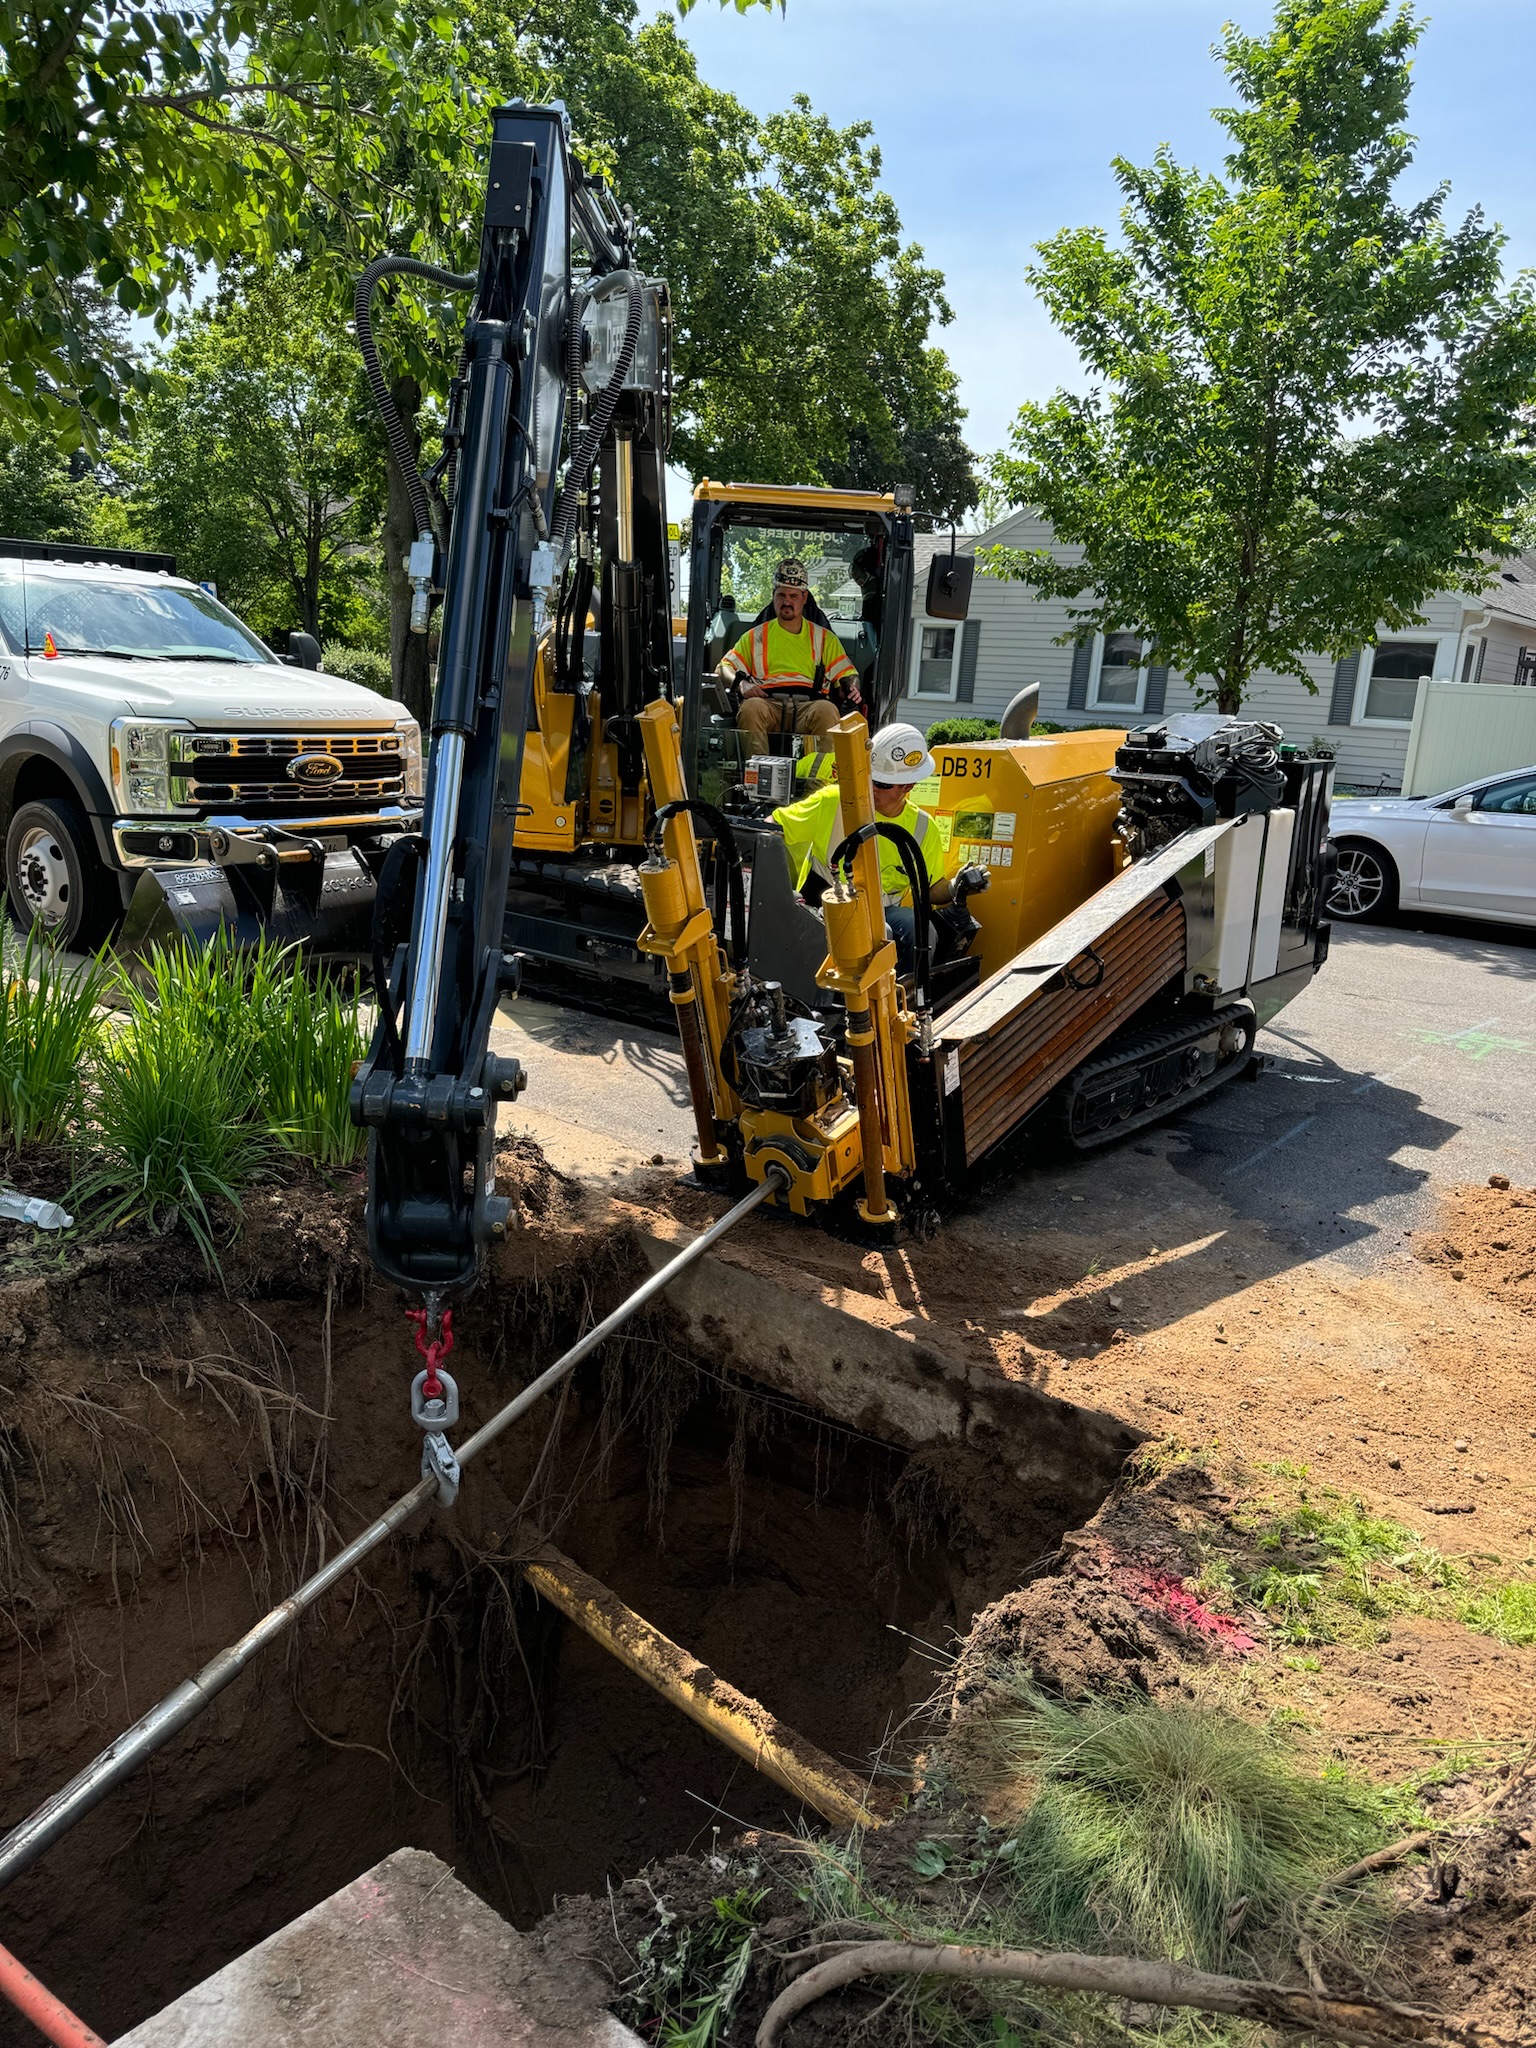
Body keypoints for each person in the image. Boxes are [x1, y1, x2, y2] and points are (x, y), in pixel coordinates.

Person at [772, 721, 953, 966]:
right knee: (878, 936)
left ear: (907, 786)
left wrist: (955, 888)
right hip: (826, 902)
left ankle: (905, 997)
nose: (870, 787)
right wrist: (779, 890)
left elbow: (930, 889)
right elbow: (772, 827)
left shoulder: (923, 827)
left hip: (882, 910)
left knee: (921, 931)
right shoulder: (833, 801)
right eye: (869, 777)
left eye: (881, 784)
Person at [718, 558, 864, 756]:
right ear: (774, 596)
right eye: (782, 595)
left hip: (809, 706)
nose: (787, 602)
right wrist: (742, 685)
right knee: (750, 709)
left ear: (804, 597)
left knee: (827, 711)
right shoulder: (755, 636)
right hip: (767, 704)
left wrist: (852, 686)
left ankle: (817, 784)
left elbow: (848, 674)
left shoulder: (824, 638)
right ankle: (759, 778)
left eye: (793, 596)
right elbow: (723, 667)